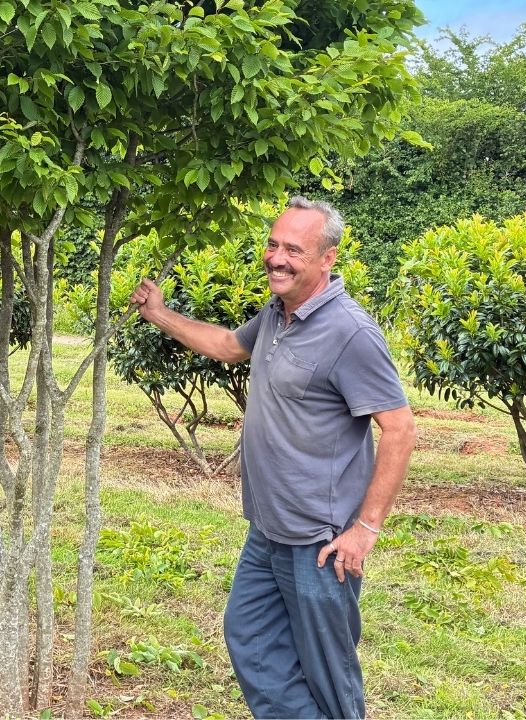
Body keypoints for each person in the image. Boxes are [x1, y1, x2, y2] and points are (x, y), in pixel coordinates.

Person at [130, 197, 415, 719]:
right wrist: (158, 313)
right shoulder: (277, 316)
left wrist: (366, 529)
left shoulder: (350, 333)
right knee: (252, 642)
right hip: (267, 530)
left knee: (329, 674)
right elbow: (224, 345)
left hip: (319, 541)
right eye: (273, 244)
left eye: (293, 250)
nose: (276, 258)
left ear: (327, 258)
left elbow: (399, 428)